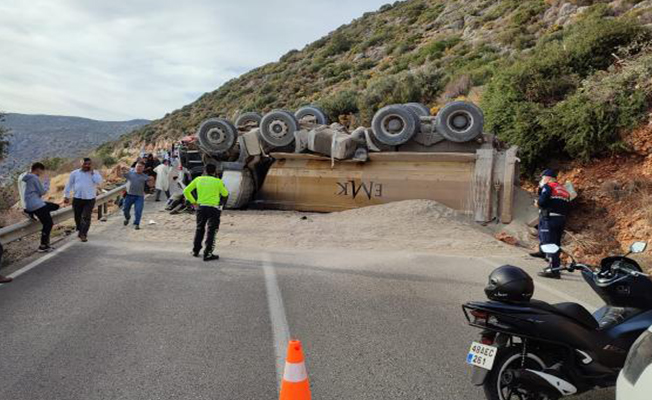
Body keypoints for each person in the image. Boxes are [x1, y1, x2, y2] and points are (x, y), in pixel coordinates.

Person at [183, 164, 229, 261]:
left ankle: (195, 250)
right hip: (214, 208)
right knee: (212, 231)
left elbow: (186, 191)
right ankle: (207, 253)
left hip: (201, 207)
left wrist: (193, 202)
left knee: (199, 229)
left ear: (205, 171)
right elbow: (225, 193)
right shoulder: (218, 181)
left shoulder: (198, 179)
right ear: (214, 172)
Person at [534, 169, 571, 279]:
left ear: (548, 178)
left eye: (542, 178)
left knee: (549, 243)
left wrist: (537, 203)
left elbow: (542, 202)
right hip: (561, 219)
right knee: (555, 243)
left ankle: (553, 270)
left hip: (549, 219)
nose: (541, 180)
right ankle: (554, 264)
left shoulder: (548, 186)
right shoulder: (564, 190)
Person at [23, 162, 60, 252]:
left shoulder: (26, 178)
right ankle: (43, 246)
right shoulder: (34, 178)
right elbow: (42, 192)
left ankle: (29, 211)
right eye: (41, 170)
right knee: (48, 224)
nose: (41, 173)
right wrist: (46, 184)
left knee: (55, 206)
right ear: (38, 169)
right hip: (37, 205)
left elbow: (36, 193)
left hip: (30, 204)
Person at [64, 158, 103, 242]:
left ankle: (83, 234)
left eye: (89, 164)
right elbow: (69, 184)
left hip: (90, 199)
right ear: (81, 164)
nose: (87, 166)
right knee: (77, 217)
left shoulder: (95, 173)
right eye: (85, 164)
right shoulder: (74, 173)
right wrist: (66, 196)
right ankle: (80, 230)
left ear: (91, 164)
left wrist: (92, 173)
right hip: (77, 198)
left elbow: (99, 182)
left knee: (86, 217)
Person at [122, 162, 152, 230]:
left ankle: (137, 223)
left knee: (138, 210)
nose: (139, 168)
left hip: (139, 196)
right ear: (135, 167)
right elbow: (120, 175)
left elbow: (150, 185)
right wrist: (119, 169)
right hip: (129, 195)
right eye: (138, 166)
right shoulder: (130, 173)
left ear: (143, 168)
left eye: (141, 167)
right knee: (125, 210)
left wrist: (151, 181)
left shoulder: (145, 176)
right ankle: (127, 218)